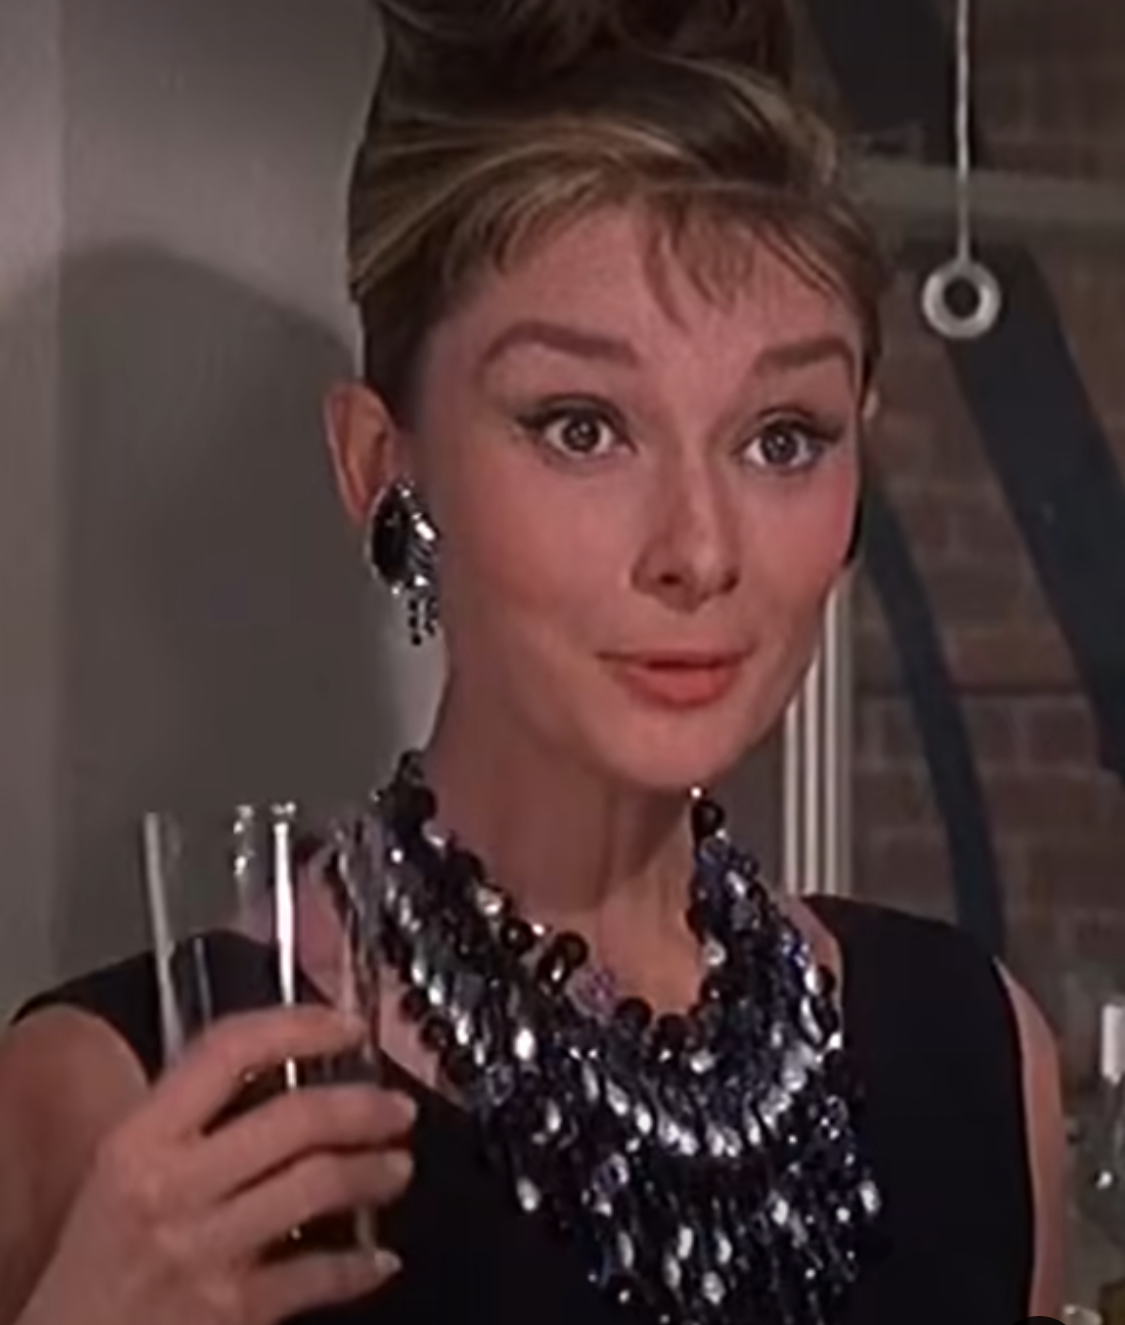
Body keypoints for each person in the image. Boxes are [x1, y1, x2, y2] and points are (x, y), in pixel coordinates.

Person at [0, 1, 1066, 1323]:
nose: (698, 550)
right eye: (580, 426)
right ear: (381, 468)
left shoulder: (975, 1050)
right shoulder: (129, 1099)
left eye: (782, 438)